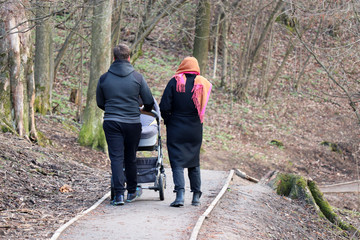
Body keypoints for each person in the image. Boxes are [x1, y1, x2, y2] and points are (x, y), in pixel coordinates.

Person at [96, 43, 154, 206]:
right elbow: (148, 100)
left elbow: (100, 102)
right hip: (132, 123)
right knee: (130, 157)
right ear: (129, 58)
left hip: (112, 122)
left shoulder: (104, 78)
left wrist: (112, 110)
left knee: (116, 158)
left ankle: (118, 195)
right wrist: (144, 108)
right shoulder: (137, 77)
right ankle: (132, 191)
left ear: (114, 58)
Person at [159, 56, 212, 207]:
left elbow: (164, 106)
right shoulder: (202, 83)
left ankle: (180, 195)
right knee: (194, 161)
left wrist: (169, 120)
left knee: (177, 161)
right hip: (195, 128)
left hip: (176, 127)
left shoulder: (175, 82)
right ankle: (196, 196)